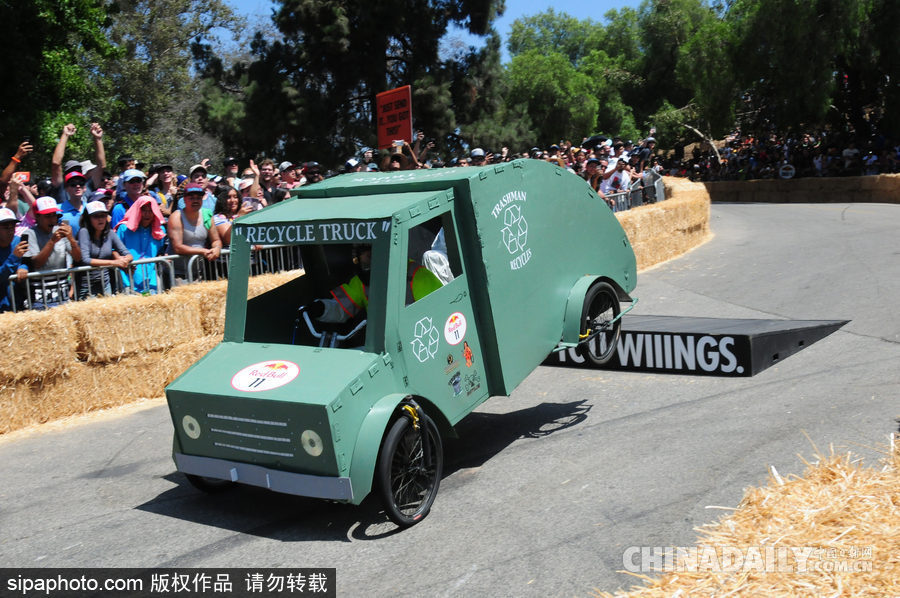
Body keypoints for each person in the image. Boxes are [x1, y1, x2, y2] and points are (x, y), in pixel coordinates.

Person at [17, 196, 82, 309]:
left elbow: (77, 258)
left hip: (61, 292)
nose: (52, 220)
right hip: (39, 296)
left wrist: (71, 239)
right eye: (48, 216)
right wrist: (52, 242)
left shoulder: (61, 231)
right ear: (37, 216)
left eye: (54, 216)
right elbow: (36, 263)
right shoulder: (28, 234)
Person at [167, 184, 222, 284]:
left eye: (198, 198)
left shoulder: (207, 214)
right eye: (191, 198)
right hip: (177, 274)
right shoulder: (176, 217)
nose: (195, 201)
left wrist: (217, 248)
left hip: (199, 272)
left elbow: (216, 240)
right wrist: (202, 251)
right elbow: (177, 247)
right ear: (184, 200)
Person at [77, 201, 132, 298]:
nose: (100, 219)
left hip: (105, 284)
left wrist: (125, 260)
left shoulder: (110, 233)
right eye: (96, 216)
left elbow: (127, 253)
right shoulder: (84, 232)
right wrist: (114, 263)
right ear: (88, 218)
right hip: (87, 287)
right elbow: (86, 259)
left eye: (103, 216)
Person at [116, 195, 167, 294]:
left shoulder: (160, 231)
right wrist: (121, 261)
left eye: (151, 210)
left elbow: (160, 252)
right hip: (128, 280)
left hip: (152, 281)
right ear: (137, 211)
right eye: (144, 210)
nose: (147, 214)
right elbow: (114, 251)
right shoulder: (123, 229)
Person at [0, 207, 27, 312]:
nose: (11, 231)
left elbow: (25, 262)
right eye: (6, 227)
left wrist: (23, 267)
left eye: (13, 227)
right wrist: (14, 257)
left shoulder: (18, 241)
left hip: (16, 303)